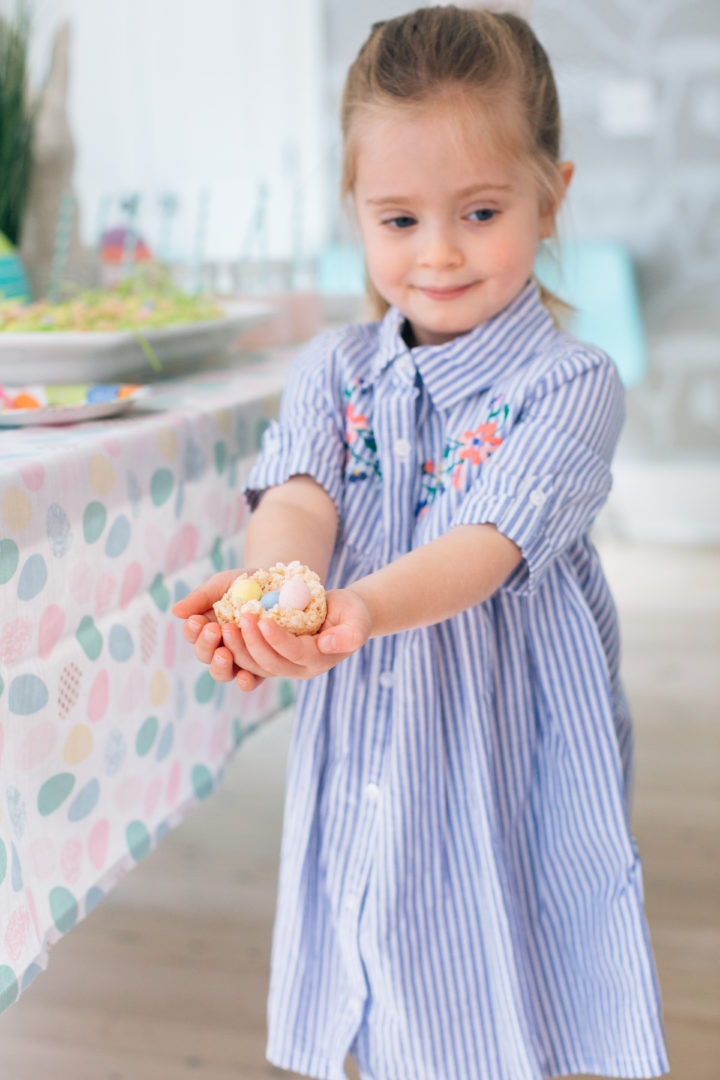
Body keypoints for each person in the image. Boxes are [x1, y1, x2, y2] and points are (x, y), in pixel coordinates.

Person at [172, 6, 669, 1079]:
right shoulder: (333, 368)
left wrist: (362, 610)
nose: (437, 254)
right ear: (356, 210)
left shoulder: (570, 386)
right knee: (371, 925)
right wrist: (281, 583)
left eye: (479, 211)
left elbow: (491, 541)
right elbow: (301, 490)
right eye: (398, 220)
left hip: (502, 728)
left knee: (494, 960)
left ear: (551, 197)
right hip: (370, 712)